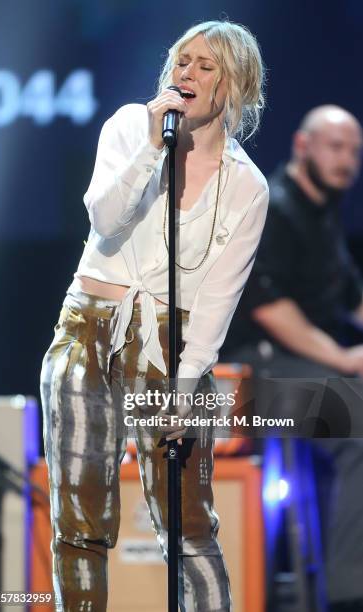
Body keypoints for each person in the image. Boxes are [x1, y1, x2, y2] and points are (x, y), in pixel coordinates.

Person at [40, 20, 269, 612]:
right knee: (79, 518)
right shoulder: (128, 126)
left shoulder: (247, 186)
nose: (185, 72)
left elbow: (218, 300)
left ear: (235, 85)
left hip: (171, 349)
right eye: (180, 60)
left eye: (204, 65)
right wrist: (150, 147)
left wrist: (188, 388)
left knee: (188, 524)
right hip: (88, 327)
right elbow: (105, 220)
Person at [220, 105, 363, 610]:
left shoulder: (325, 216)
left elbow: (350, 299)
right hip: (249, 378)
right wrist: (345, 359)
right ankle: (349, 595)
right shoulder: (273, 206)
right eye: (335, 147)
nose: (347, 160)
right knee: (358, 415)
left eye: (354, 151)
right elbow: (271, 308)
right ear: (303, 147)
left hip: (299, 367)